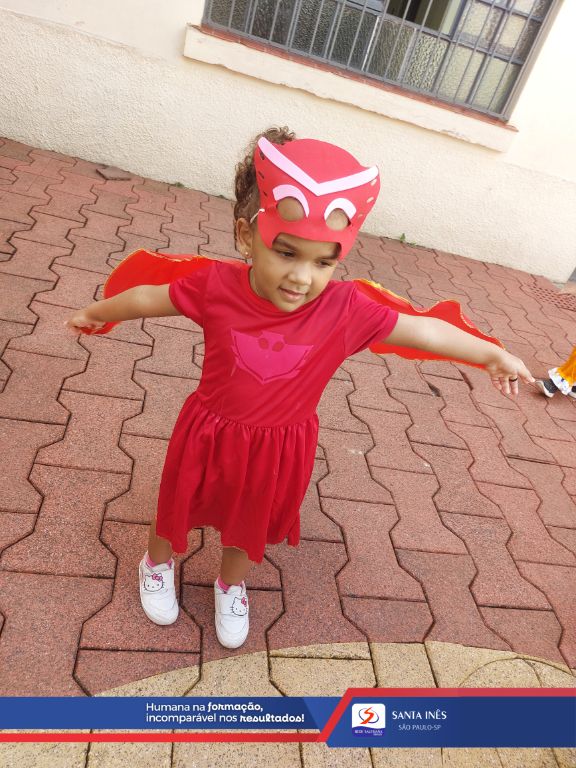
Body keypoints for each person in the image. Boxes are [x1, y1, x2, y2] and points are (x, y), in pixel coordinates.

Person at [66, 127, 534, 650]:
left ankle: (230, 584)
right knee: (180, 501)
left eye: (323, 261)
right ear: (247, 237)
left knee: (250, 519)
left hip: (280, 445)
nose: (302, 277)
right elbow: (148, 298)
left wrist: (490, 354)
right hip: (208, 432)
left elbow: (423, 331)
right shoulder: (216, 287)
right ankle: (156, 563)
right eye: (286, 253)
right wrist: (97, 312)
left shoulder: (346, 310)